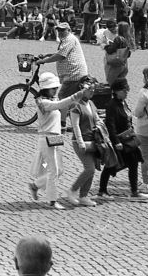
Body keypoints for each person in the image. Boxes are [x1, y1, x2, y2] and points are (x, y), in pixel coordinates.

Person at [27, 72, 88, 210]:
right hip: (46, 138)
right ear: (45, 89)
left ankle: (35, 185)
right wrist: (77, 95)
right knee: (53, 170)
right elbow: (61, 104)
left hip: (54, 137)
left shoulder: (50, 100)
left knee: (59, 170)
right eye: (53, 88)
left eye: (56, 87)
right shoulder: (43, 102)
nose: (56, 90)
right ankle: (52, 201)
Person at [98, 78, 148, 201]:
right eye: (124, 90)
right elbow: (111, 125)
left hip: (128, 140)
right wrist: (116, 142)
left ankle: (134, 191)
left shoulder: (123, 102)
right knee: (111, 165)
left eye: (127, 89)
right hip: (121, 141)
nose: (127, 92)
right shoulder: (112, 105)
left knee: (133, 163)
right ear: (116, 91)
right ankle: (102, 191)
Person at [65, 76, 105, 207]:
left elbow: (97, 119)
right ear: (82, 89)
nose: (92, 92)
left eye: (94, 89)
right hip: (81, 142)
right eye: (90, 90)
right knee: (89, 168)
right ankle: (72, 190)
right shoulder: (76, 105)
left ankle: (83, 196)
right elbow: (75, 126)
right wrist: (80, 142)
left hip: (93, 142)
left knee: (92, 170)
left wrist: (101, 126)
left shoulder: (91, 103)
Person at [32, 22, 89, 111]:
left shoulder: (70, 39)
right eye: (59, 30)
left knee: (63, 97)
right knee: (71, 100)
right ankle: (72, 116)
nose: (60, 32)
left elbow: (61, 56)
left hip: (73, 75)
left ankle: (62, 122)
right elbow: (61, 52)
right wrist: (47, 55)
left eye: (63, 30)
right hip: (71, 74)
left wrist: (43, 61)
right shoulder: (66, 39)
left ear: (69, 30)